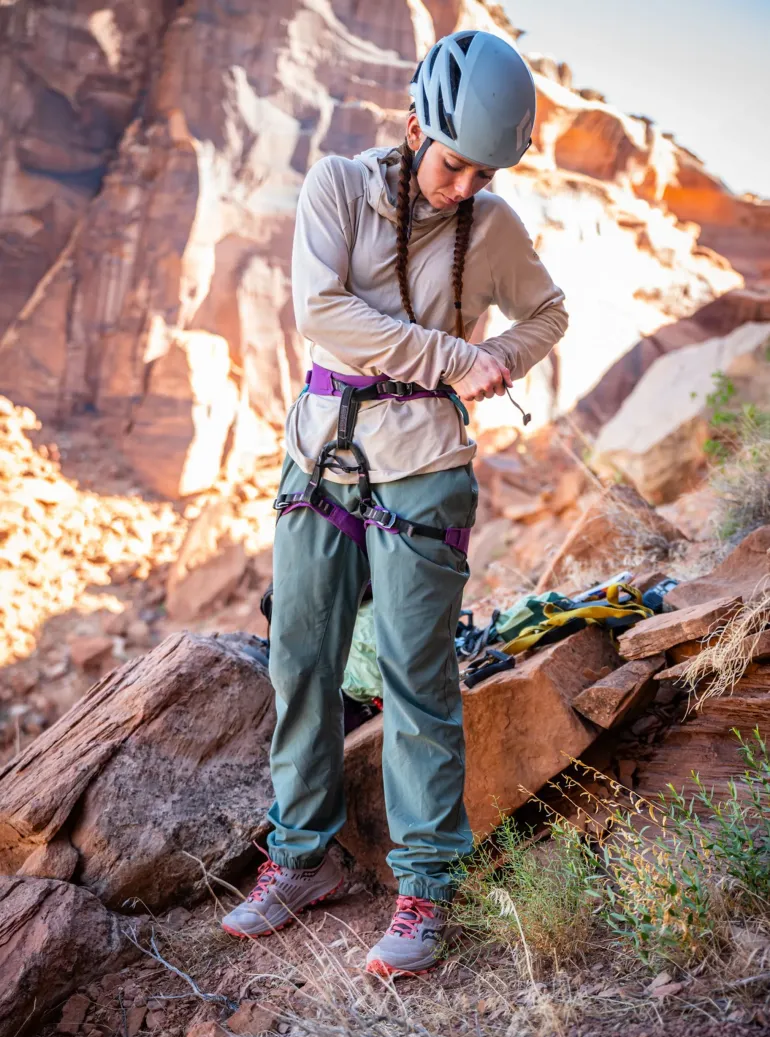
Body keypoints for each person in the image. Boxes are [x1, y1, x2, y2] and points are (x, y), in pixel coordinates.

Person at [222, 29, 568, 977]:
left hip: (424, 464)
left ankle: (424, 885)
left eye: (485, 173)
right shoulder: (337, 188)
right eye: (455, 164)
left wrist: (502, 360)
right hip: (321, 456)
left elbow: (549, 313)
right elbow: (323, 313)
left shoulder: (492, 228)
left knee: (417, 676)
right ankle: (303, 859)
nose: (465, 187)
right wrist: (456, 357)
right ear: (416, 125)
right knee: (302, 659)